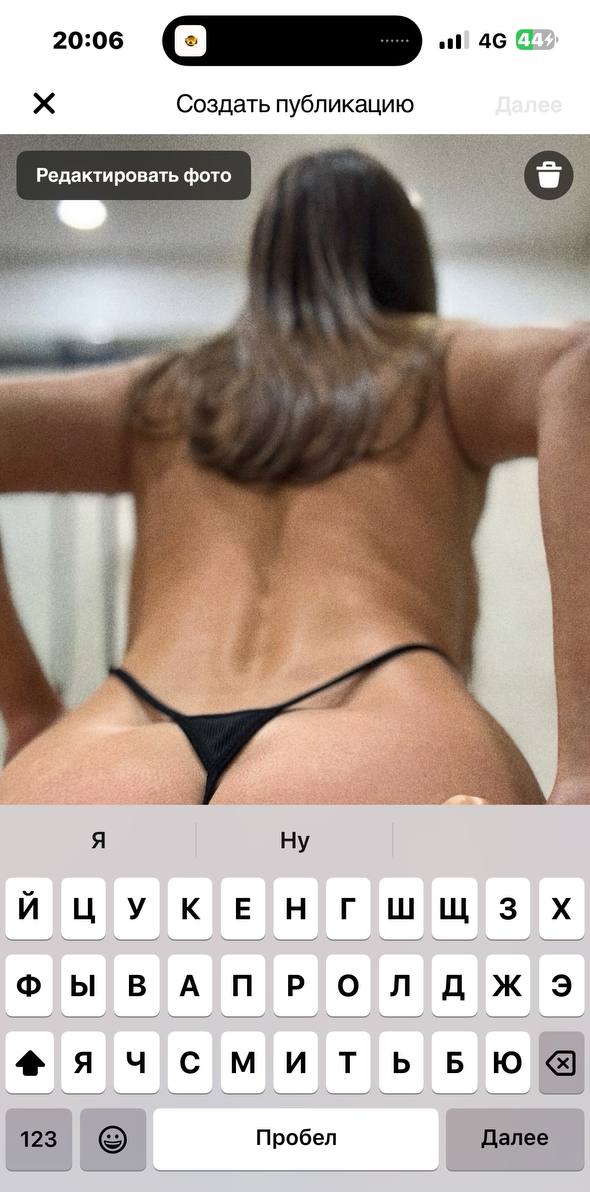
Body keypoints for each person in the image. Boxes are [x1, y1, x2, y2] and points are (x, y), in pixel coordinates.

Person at [0, 148, 588, 805]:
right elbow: (575, 363)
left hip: (110, 742)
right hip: (378, 717)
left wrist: (28, 709)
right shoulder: (432, 361)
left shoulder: (163, 394)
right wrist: (583, 773)